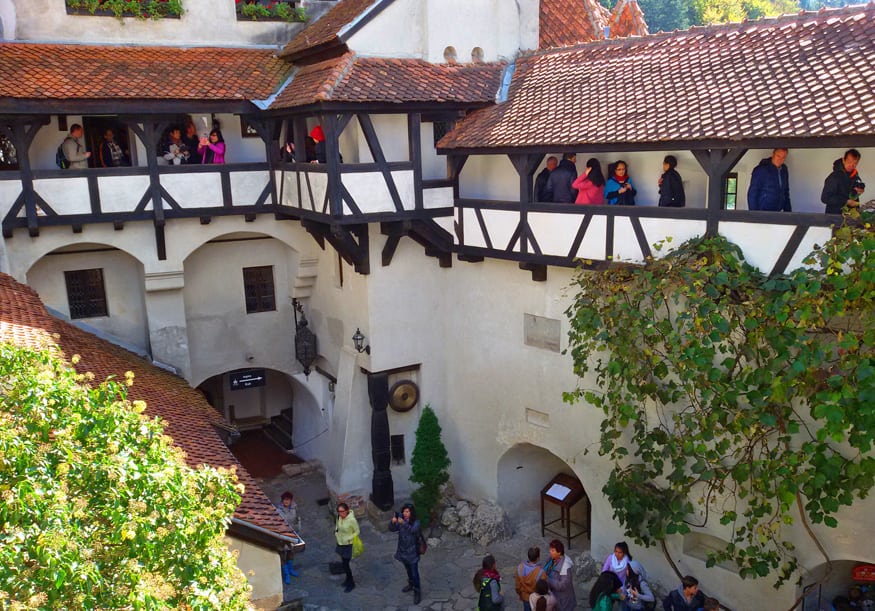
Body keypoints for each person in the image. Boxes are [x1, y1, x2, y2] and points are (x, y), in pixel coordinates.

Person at [389, 503, 423, 605]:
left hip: (412, 552)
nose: (405, 513)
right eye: (404, 511)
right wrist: (393, 522)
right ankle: (411, 584)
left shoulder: (416, 522)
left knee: (414, 572)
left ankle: (417, 591)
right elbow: (392, 529)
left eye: (407, 511)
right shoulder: (401, 521)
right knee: (408, 570)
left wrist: (403, 523)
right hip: (403, 550)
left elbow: (413, 530)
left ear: (411, 512)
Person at [821, 149, 865, 214]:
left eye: (855, 163)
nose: (852, 165)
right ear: (843, 160)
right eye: (849, 162)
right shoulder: (834, 177)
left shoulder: (854, 175)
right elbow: (825, 198)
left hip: (851, 215)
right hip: (835, 216)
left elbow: (854, 188)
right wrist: (846, 201)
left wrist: (860, 189)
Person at [543, 539, 575, 611]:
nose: (550, 552)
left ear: (559, 552)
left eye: (552, 550)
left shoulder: (565, 568)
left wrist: (547, 579)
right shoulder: (552, 559)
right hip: (554, 595)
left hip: (563, 600)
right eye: (550, 550)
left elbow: (562, 585)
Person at [334, 502, 359, 593]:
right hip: (340, 543)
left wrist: (349, 538)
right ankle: (348, 580)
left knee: (345, 564)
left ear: (347, 511)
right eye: (339, 512)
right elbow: (337, 525)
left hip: (348, 545)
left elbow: (357, 531)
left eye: (342, 511)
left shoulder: (352, 520)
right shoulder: (339, 517)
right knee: (344, 564)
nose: (340, 513)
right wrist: (336, 532)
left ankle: (351, 583)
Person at [276, 491, 299, 583]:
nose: (286, 502)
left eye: (288, 500)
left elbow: (297, 519)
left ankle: (291, 569)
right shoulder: (278, 511)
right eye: (285, 500)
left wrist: (298, 530)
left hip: (292, 534)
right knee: (282, 555)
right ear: (282, 501)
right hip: (282, 536)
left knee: (291, 552)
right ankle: (286, 574)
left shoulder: (294, 508)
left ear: (291, 501)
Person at [515, 546, 546, 611]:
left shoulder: (520, 567)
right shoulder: (541, 572)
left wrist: (520, 593)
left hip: (525, 596)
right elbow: (544, 588)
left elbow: (517, 586)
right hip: (536, 598)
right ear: (538, 558)